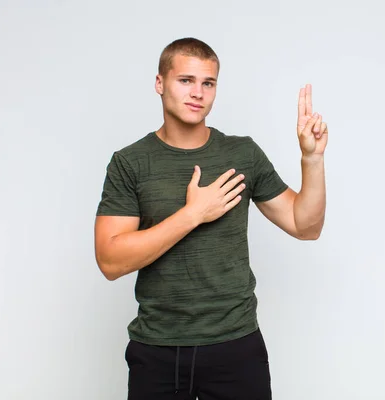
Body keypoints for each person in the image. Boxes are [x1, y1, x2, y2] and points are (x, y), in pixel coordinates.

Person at [94, 37, 328, 400]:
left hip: (236, 347)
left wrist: (311, 160)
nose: (197, 93)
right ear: (160, 84)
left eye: (208, 83)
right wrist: (193, 214)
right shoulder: (130, 162)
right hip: (157, 349)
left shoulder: (243, 153)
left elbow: (306, 226)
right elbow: (110, 260)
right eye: (185, 80)